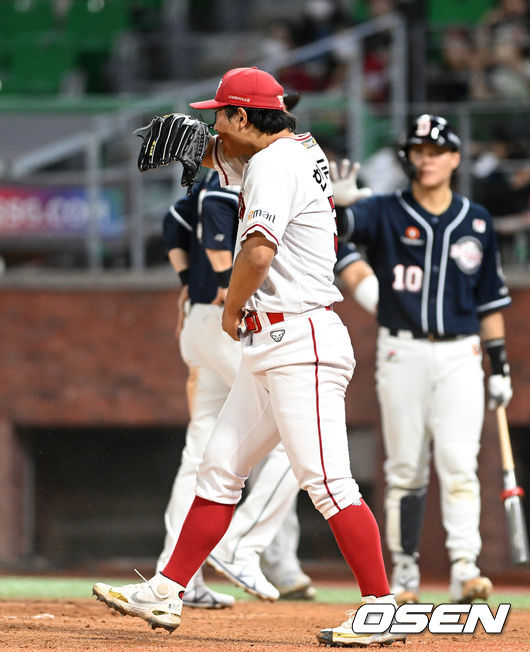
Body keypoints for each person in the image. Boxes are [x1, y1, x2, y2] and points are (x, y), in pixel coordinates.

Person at [93, 66, 405, 648]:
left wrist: (231, 309)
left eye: (220, 115)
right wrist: (209, 149)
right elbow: (244, 159)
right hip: (279, 343)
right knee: (218, 470)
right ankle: (167, 589)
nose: (214, 124)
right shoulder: (295, 147)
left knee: (330, 483)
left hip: (299, 340)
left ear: (243, 115)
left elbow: (258, 253)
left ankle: (381, 605)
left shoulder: (273, 163)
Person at [332, 114, 513, 605]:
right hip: (402, 349)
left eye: (436, 151)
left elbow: (491, 301)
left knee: (460, 463)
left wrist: (500, 368)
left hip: (460, 354)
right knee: (406, 468)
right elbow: (340, 231)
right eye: (418, 150)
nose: (426, 159)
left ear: (455, 157)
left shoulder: (475, 220)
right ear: (408, 157)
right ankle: (406, 575)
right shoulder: (387, 209)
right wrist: (339, 206)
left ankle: (464, 568)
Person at [158, 168, 315, 604]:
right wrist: (230, 287)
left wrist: (189, 283)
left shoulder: (215, 173)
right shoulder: (245, 171)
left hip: (198, 320)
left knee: (201, 448)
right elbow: (214, 216)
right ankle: (239, 544)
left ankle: (178, 576)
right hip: (230, 323)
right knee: (291, 435)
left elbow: (173, 220)